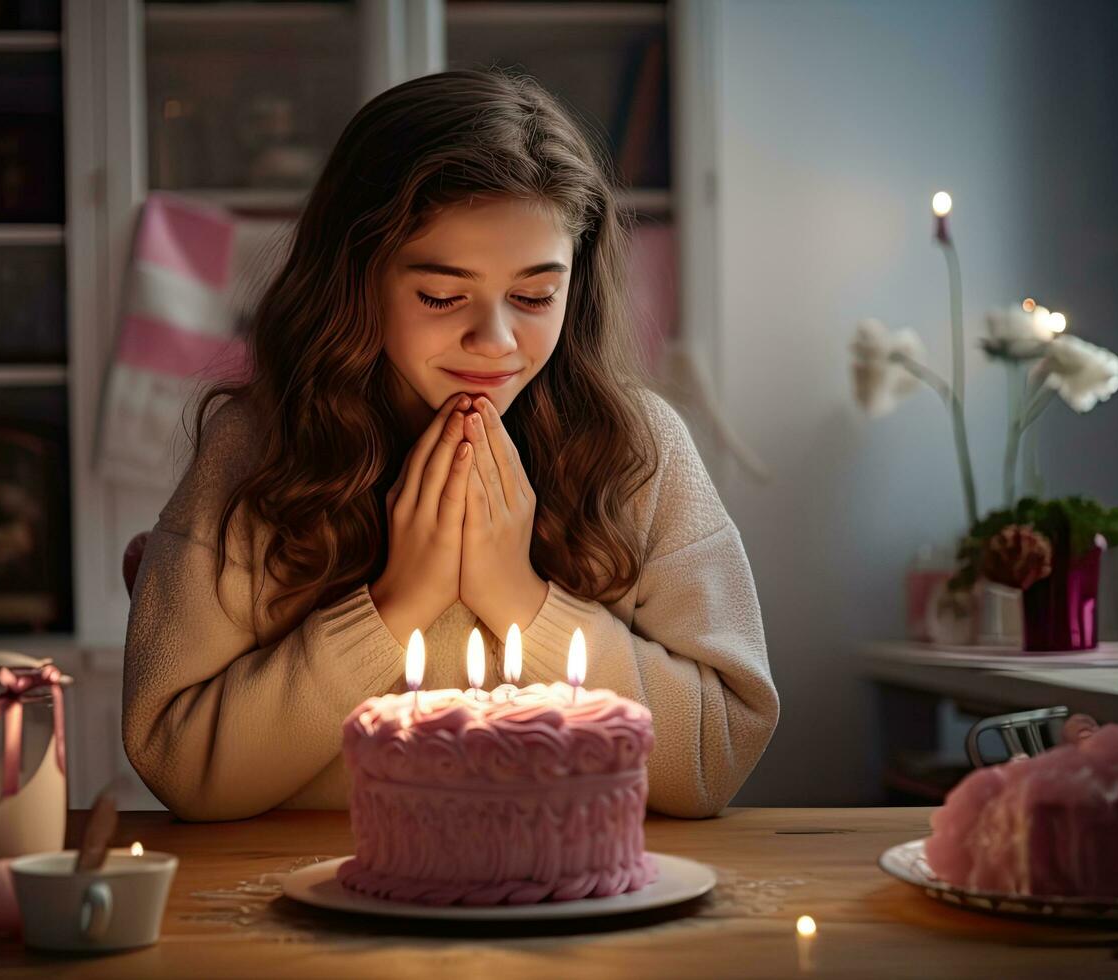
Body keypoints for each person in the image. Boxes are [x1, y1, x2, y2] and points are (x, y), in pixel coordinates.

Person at [122, 69, 779, 821]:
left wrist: (521, 600)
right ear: (357, 275)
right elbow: (177, 760)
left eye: (535, 296)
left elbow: (720, 753)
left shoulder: (640, 449)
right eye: (441, 295)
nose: (494, 341)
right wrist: (398, 602)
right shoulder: (257, 449)